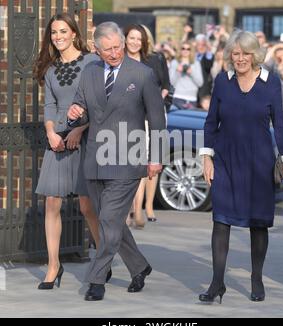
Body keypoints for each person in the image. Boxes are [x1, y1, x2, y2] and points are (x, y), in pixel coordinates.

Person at [67, 22, 166, 301]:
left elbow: (157, 120)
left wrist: (155, 157)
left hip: (128, 158)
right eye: (107, 49)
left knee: (109, 219)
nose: (114, 53)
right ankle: (139, 266)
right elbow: (80, 109)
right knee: (111, 222)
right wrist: (75, 113)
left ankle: (97, 279)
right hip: (96, 159)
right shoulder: (89, 72)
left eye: (117, 47)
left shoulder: (143, 74)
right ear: (97, 50)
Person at [199, 30, 283, 303]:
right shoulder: (222, 81)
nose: (240, 59)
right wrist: (206, 157)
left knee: (258, 223)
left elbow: (280, 123)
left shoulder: (270, 82)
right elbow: (210, 122)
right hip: (226, 160)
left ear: (255, 55)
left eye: (245, 53)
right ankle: (217, 283)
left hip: (259, 162)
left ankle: (256, 278)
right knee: (220, 220)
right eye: (235, 53)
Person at [34, 13, 101, 289]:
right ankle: (53, 265)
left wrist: (80, 128)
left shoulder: (92, 62)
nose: (58, 37)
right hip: (57, 141)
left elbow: (100, 103)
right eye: (53, 33)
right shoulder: (50, 70)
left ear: (74, 33)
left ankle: (103, 260)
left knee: (87, 206)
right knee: (52, 202)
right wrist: (50, 132)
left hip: (85, 138)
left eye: (63, 31)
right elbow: (49, 106)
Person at [123, 24, 170, 227]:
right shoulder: (118, 61)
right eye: (131, 38)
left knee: (141, 164)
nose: (134, 42)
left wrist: (155, 103)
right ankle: (126, 212)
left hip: (146, 118)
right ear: (125, 39)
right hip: (122, 119)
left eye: (138, 39)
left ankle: (139, 210)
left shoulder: (150, 63)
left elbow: (164, 86)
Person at [169, 41, 203, 109]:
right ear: (180, 50)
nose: (185, 50)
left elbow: (200, 83)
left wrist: (192, 73)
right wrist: (177, 72)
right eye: (183, 48)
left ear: (191, 51)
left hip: (192, 98)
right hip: (178, 97)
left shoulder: (196, 63)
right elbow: (171, 82)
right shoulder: (174, 62)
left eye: (188, 49)